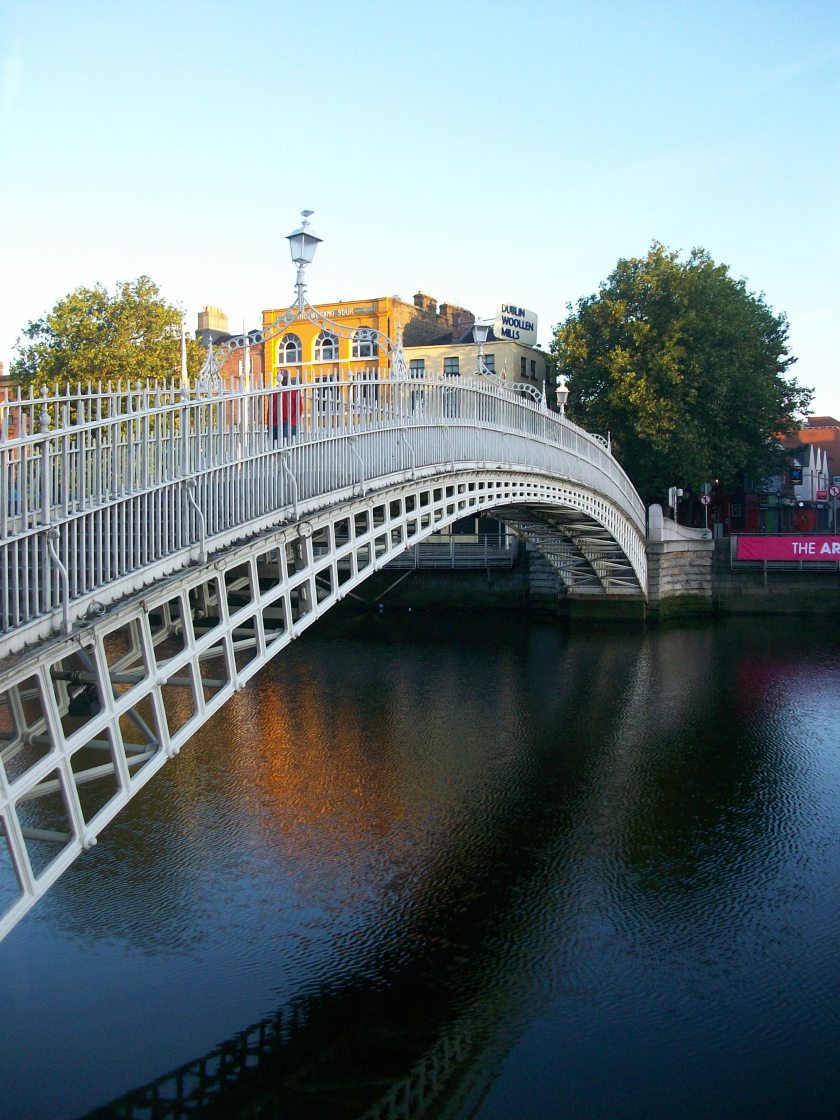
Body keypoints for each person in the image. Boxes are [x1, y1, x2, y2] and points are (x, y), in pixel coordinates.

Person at [271, 369, 303, 444]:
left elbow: (299, 409)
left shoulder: (294, 391)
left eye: (284, 378)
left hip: (288, 423)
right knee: (275, 448)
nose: (282, 380)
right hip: (275, 424)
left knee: (287, 446)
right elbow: (270, 409)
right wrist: (270, 424)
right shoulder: (275, 393)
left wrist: (292, 422)